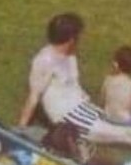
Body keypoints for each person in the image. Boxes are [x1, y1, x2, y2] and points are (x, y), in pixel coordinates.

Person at [18, 13, 131, 147]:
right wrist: (20, 129)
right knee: (124, 134)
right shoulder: (44, 60)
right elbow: (33, 97)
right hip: (68, 116)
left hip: (84, 108)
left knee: (122, 126)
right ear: (71, 39)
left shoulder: (69, 55)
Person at [101, 46, 131, 124]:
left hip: (107, 118)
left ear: (115, 64)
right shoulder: (129, 84)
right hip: (125, 121)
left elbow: (103, 101)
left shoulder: (108, 80)